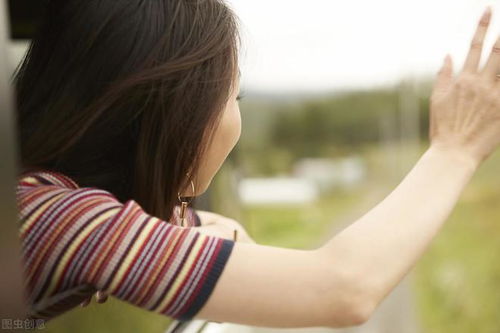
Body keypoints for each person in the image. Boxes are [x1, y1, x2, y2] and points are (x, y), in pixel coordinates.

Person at [14, 0, 500, 329]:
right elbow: (344, 287)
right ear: (180, 110)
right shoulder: (58, 219)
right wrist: (455, 150)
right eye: (235, 94)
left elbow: (219, 232)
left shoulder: (50, 203)